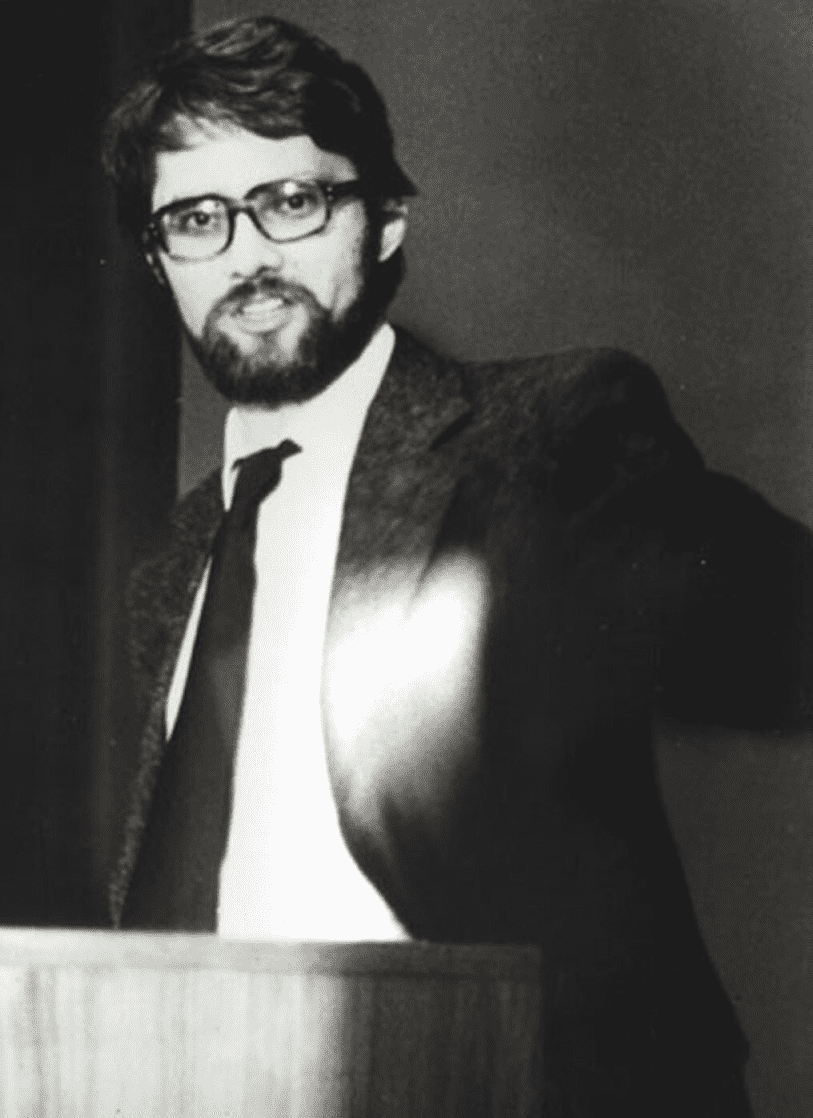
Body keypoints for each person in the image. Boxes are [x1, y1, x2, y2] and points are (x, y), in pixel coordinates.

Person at [100, 15, 811, 1116]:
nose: (246, 256)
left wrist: (497, 631)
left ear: (385, 222)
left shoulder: (548, 435)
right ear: (159, 262)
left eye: (291, 202)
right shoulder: (170, 568)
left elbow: (776, 635)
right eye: (197, 220)